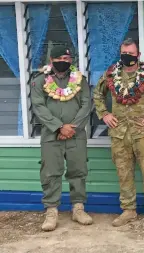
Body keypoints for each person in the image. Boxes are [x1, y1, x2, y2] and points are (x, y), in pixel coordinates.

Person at [93, 38, 144, 227]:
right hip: (119, 133)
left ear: (138, 55)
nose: (127, 57)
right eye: (124, 54)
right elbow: (97, 94)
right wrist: (104, 114)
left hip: (143, 132)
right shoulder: (111, 74)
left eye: (131, 54)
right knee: (123, 173)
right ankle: (128, 210)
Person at [30, 45, 93, 231]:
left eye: (67, 60)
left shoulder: (80, 81)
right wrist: (58, 127)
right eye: (60, 59)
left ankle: (78, 208)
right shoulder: (40, 80)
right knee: (50, 173)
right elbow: (38, 107)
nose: (64, 62)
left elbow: (86, 104)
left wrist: (72, 127)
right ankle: (51, 211)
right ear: (51, 60)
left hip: (76, 134)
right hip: (51, 135)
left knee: (78, 171)